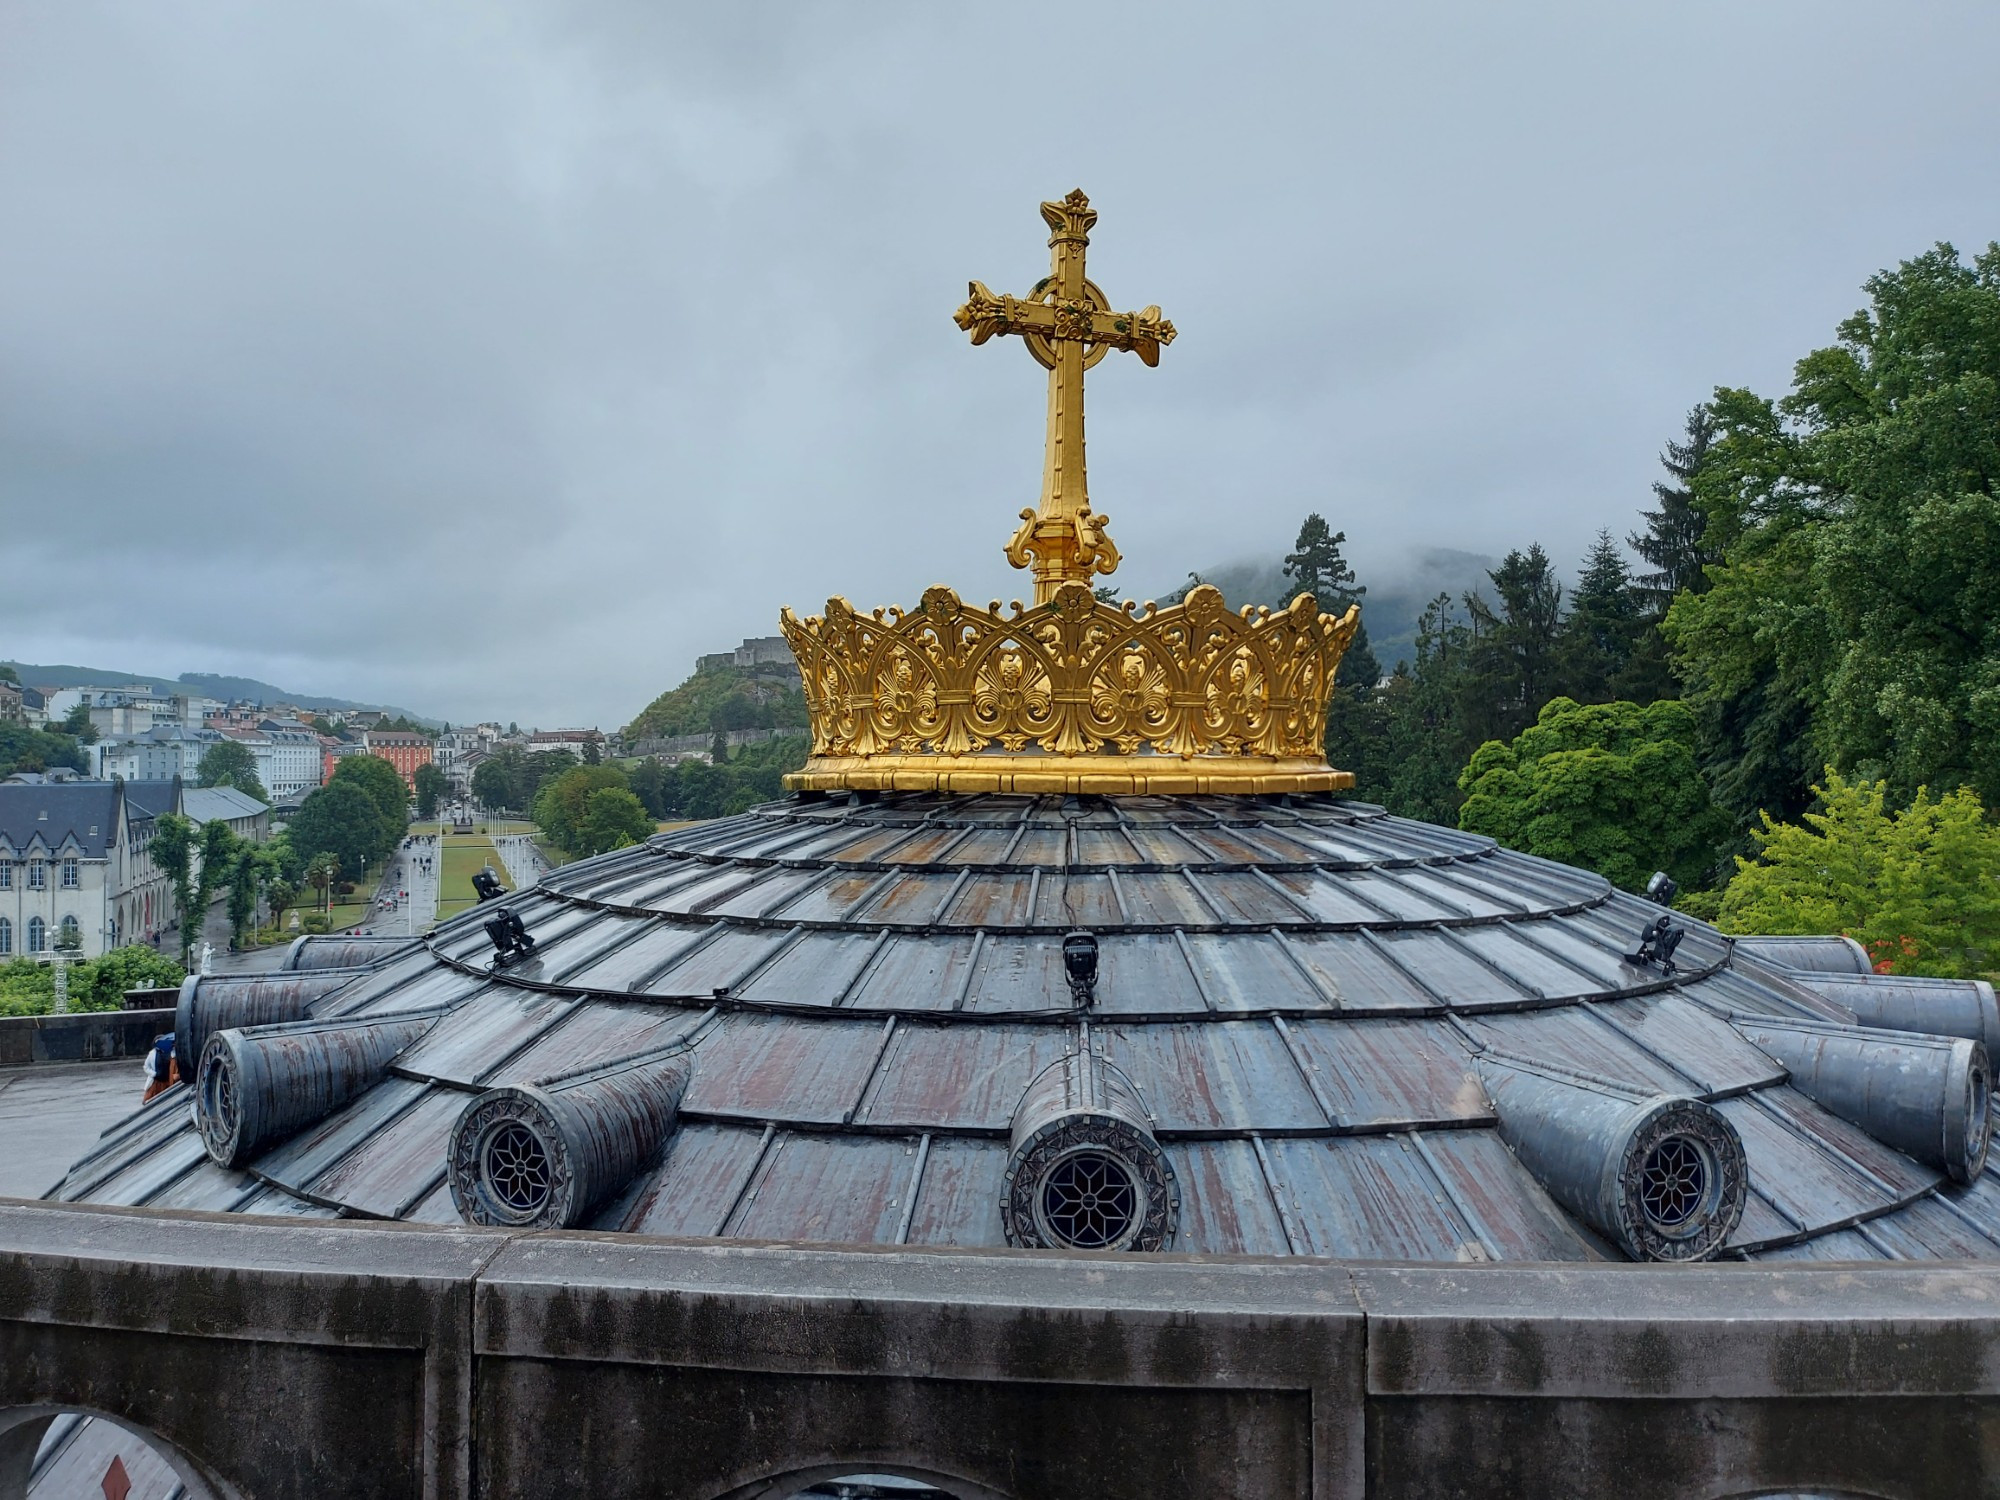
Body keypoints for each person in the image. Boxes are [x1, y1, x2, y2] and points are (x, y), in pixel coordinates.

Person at [141, 1034, 178, 1102]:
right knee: (149, 1100)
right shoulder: (152, 1053)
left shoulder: (172, 1053)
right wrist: (154, 1074)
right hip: (156, 1081)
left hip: (168, 1081)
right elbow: (146, 1067)